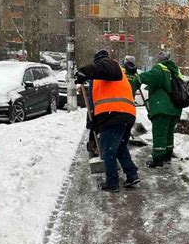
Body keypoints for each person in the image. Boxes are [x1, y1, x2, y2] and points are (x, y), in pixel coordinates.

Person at [75, 50, 139, 192]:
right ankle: (132, 174)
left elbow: (103, 68)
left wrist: (84, 71)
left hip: (114, 114)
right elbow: (93, 103)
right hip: (125, 114)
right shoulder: (103, 77)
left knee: (108, 151)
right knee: (120, 148)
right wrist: (93, 124)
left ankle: (112, 183)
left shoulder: (111, 66)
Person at [132, 50, 182, 167]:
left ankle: (158, 159)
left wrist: (136, 80)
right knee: (169, 133)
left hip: (162, 107)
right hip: (175, 108)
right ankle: (167, 156)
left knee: (159, 133)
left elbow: (146, 77)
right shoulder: (175, 70)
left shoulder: (160, 69)